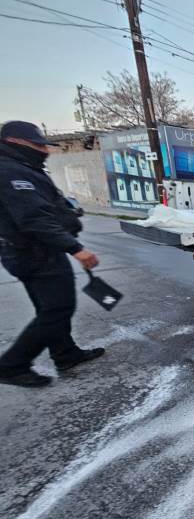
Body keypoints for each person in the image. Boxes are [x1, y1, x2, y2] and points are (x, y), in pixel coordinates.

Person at [0, 121, 104, 388]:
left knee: (49, 307)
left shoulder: (23, 167)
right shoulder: (10, 171)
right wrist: (76, 249)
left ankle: (65, 353)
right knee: (58, 308)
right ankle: (12, 366)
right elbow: (34, 218)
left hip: (36, 250)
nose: (44, 150)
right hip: (35, 252)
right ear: (15, 141)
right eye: (38, 145)